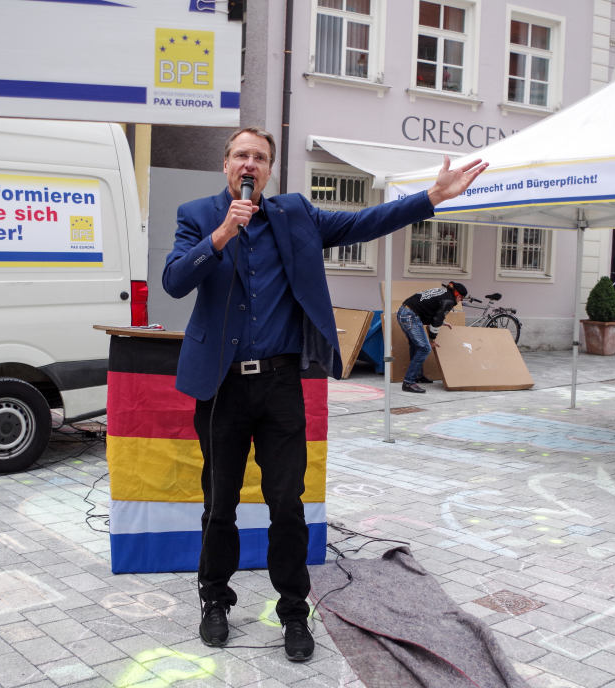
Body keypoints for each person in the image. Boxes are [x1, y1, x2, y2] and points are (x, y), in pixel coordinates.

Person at [161, 126, 487, 662]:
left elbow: (365, 222)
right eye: (241, 155)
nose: (250, 164)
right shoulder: (197, 215)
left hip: (280, 383)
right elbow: (175, 281)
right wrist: (221, 234)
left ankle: (294, 610)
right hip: (221, 385)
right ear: (226, 165)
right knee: (219, 503)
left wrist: (431, 197)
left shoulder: (295, 215)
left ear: (270, 170)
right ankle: (215, 600)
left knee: (287, 504)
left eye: (260, 157)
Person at [397, 281, 466, 393]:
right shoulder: (449, 300)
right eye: (461, 299)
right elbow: (436, 320)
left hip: (405, 312)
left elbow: (432, 310)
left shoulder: (443, 292)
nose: (460, 301)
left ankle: (417, 376)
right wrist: (432, 339)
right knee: (425, 348)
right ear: (458, 296)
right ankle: (408, 382)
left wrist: (441, 322)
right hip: (410, 316)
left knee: (416, 346)